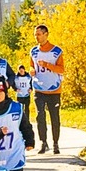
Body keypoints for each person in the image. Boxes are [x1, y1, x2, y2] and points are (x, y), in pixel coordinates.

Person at [30, 24, 65, 154]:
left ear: (46, 34)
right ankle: (43, 142)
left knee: (54, 117)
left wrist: (47, 65)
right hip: (38, 88)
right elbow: (31, 66)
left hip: (53, 89)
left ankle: (56, 143)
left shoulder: (56, 51)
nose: (36, 37)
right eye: (35, 34)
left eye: (39, 34)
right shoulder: (33, 51)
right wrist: (31, 71)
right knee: (40, 116)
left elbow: (61, 69)